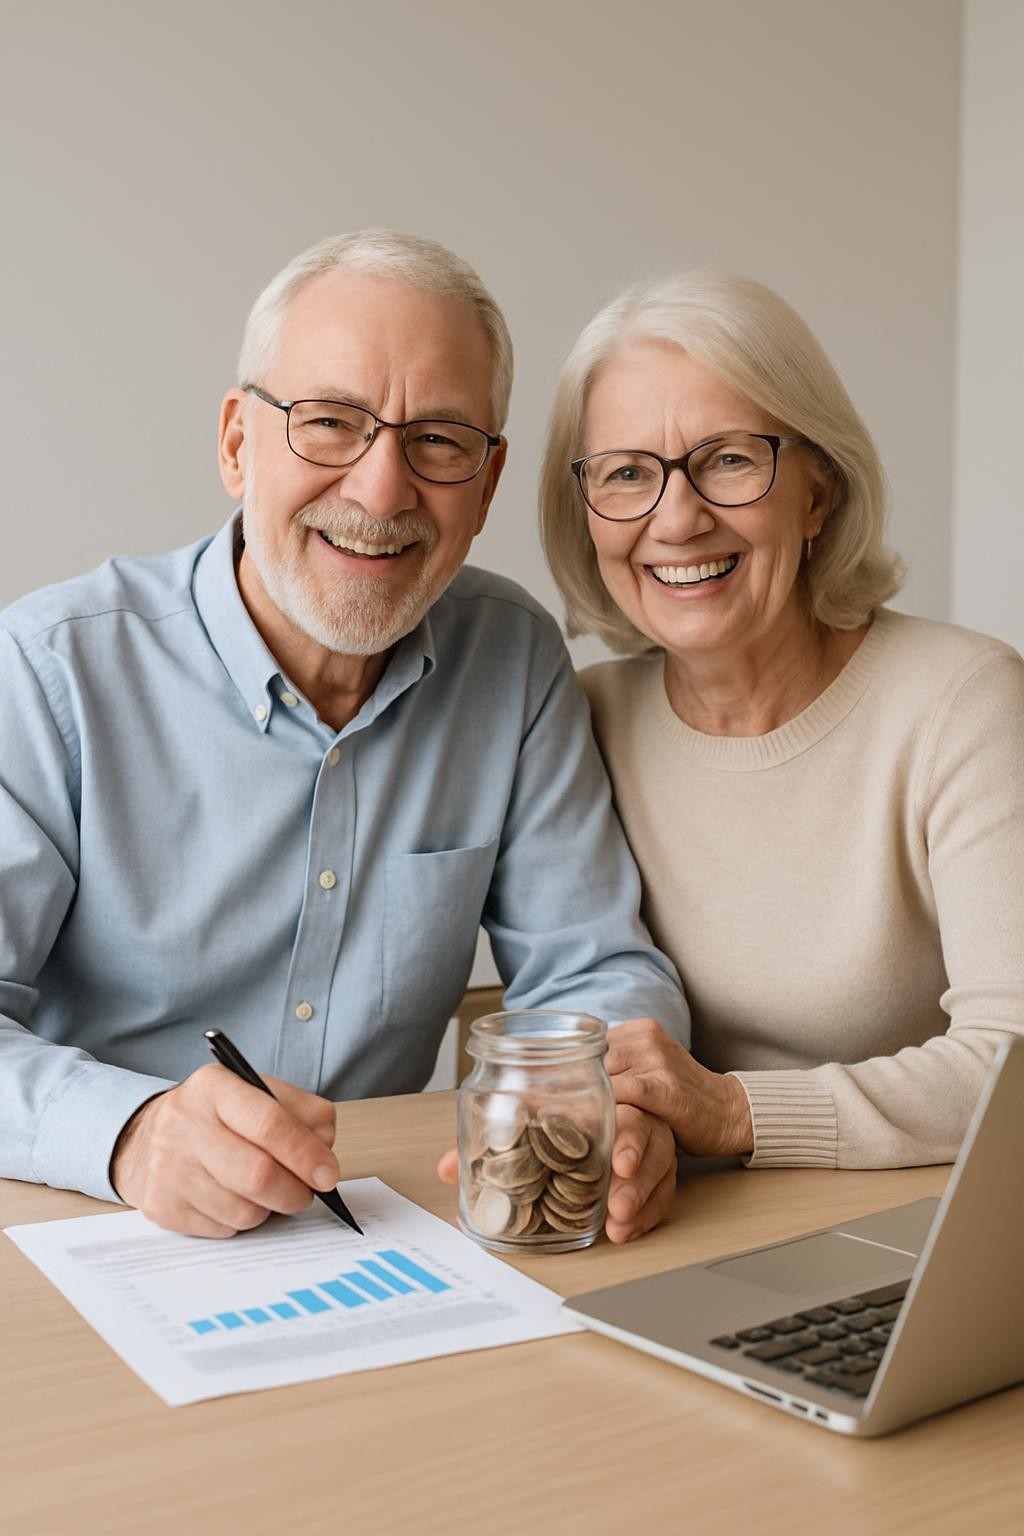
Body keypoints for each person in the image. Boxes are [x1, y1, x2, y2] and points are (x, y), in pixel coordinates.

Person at [0, 230, 687, 1240]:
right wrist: (134, 1134)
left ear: (487, 485)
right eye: (330, 423)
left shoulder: (511, 657)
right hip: (89, 1237)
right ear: (238, 442)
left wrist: (614, 1102)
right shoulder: (50, 668)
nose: (380, 491)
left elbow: (592, 967)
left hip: (380, 1236)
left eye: (440, 441)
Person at [539, 268, 1024, 1205]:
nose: (677, 519)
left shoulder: (966, 703)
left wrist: (734, 1113)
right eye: (628, 473)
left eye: (728, 459)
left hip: (922, 1239)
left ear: (819, 493)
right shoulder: (581, 719)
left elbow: (1012, 1063)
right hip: (678, 1224)